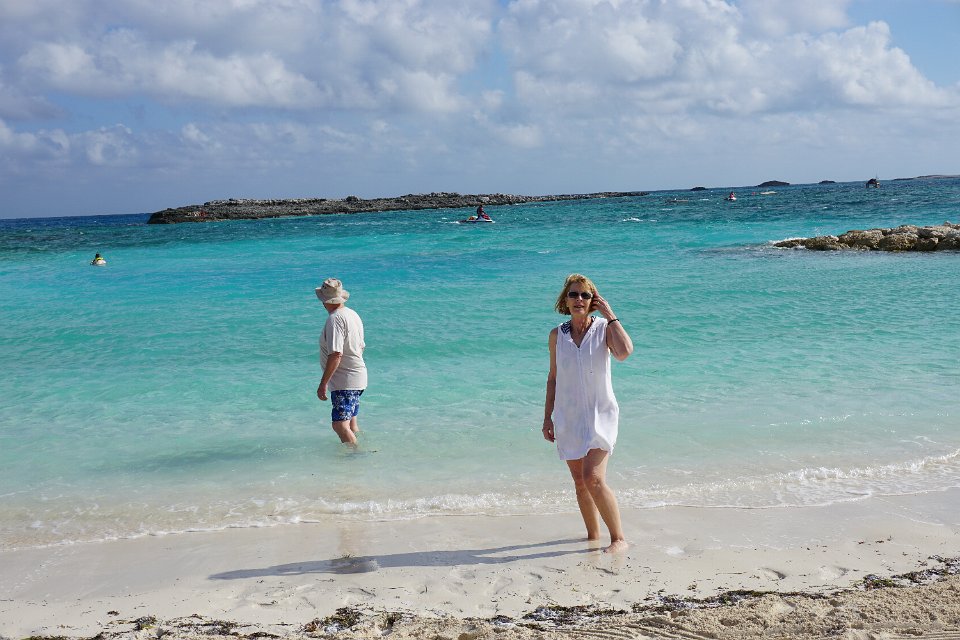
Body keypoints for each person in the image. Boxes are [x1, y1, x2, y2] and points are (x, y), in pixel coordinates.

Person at [542, 274, 634, 553]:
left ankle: (619, 539)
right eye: (573, 294)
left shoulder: (604, 328)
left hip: (600, 414)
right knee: (580, 483)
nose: (579, 299)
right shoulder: (557, 335)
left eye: (585, 295)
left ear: (593, 300)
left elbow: (624, 353)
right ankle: (593, 538)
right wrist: (547, 417)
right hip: (568, 416)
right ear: (565, 300)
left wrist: (610, 314)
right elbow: (553, 378)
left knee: (593, 477)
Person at [316, 278, 367, 445]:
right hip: (357, 376)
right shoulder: (352, 314)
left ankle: (356, 455)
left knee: (339, 425)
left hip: (345, 382)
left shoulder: (335, 319)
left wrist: (323, 383)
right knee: (351, 424)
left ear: (325, 301)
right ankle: (363, 453)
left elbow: (336, 354)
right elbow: (361, 346)